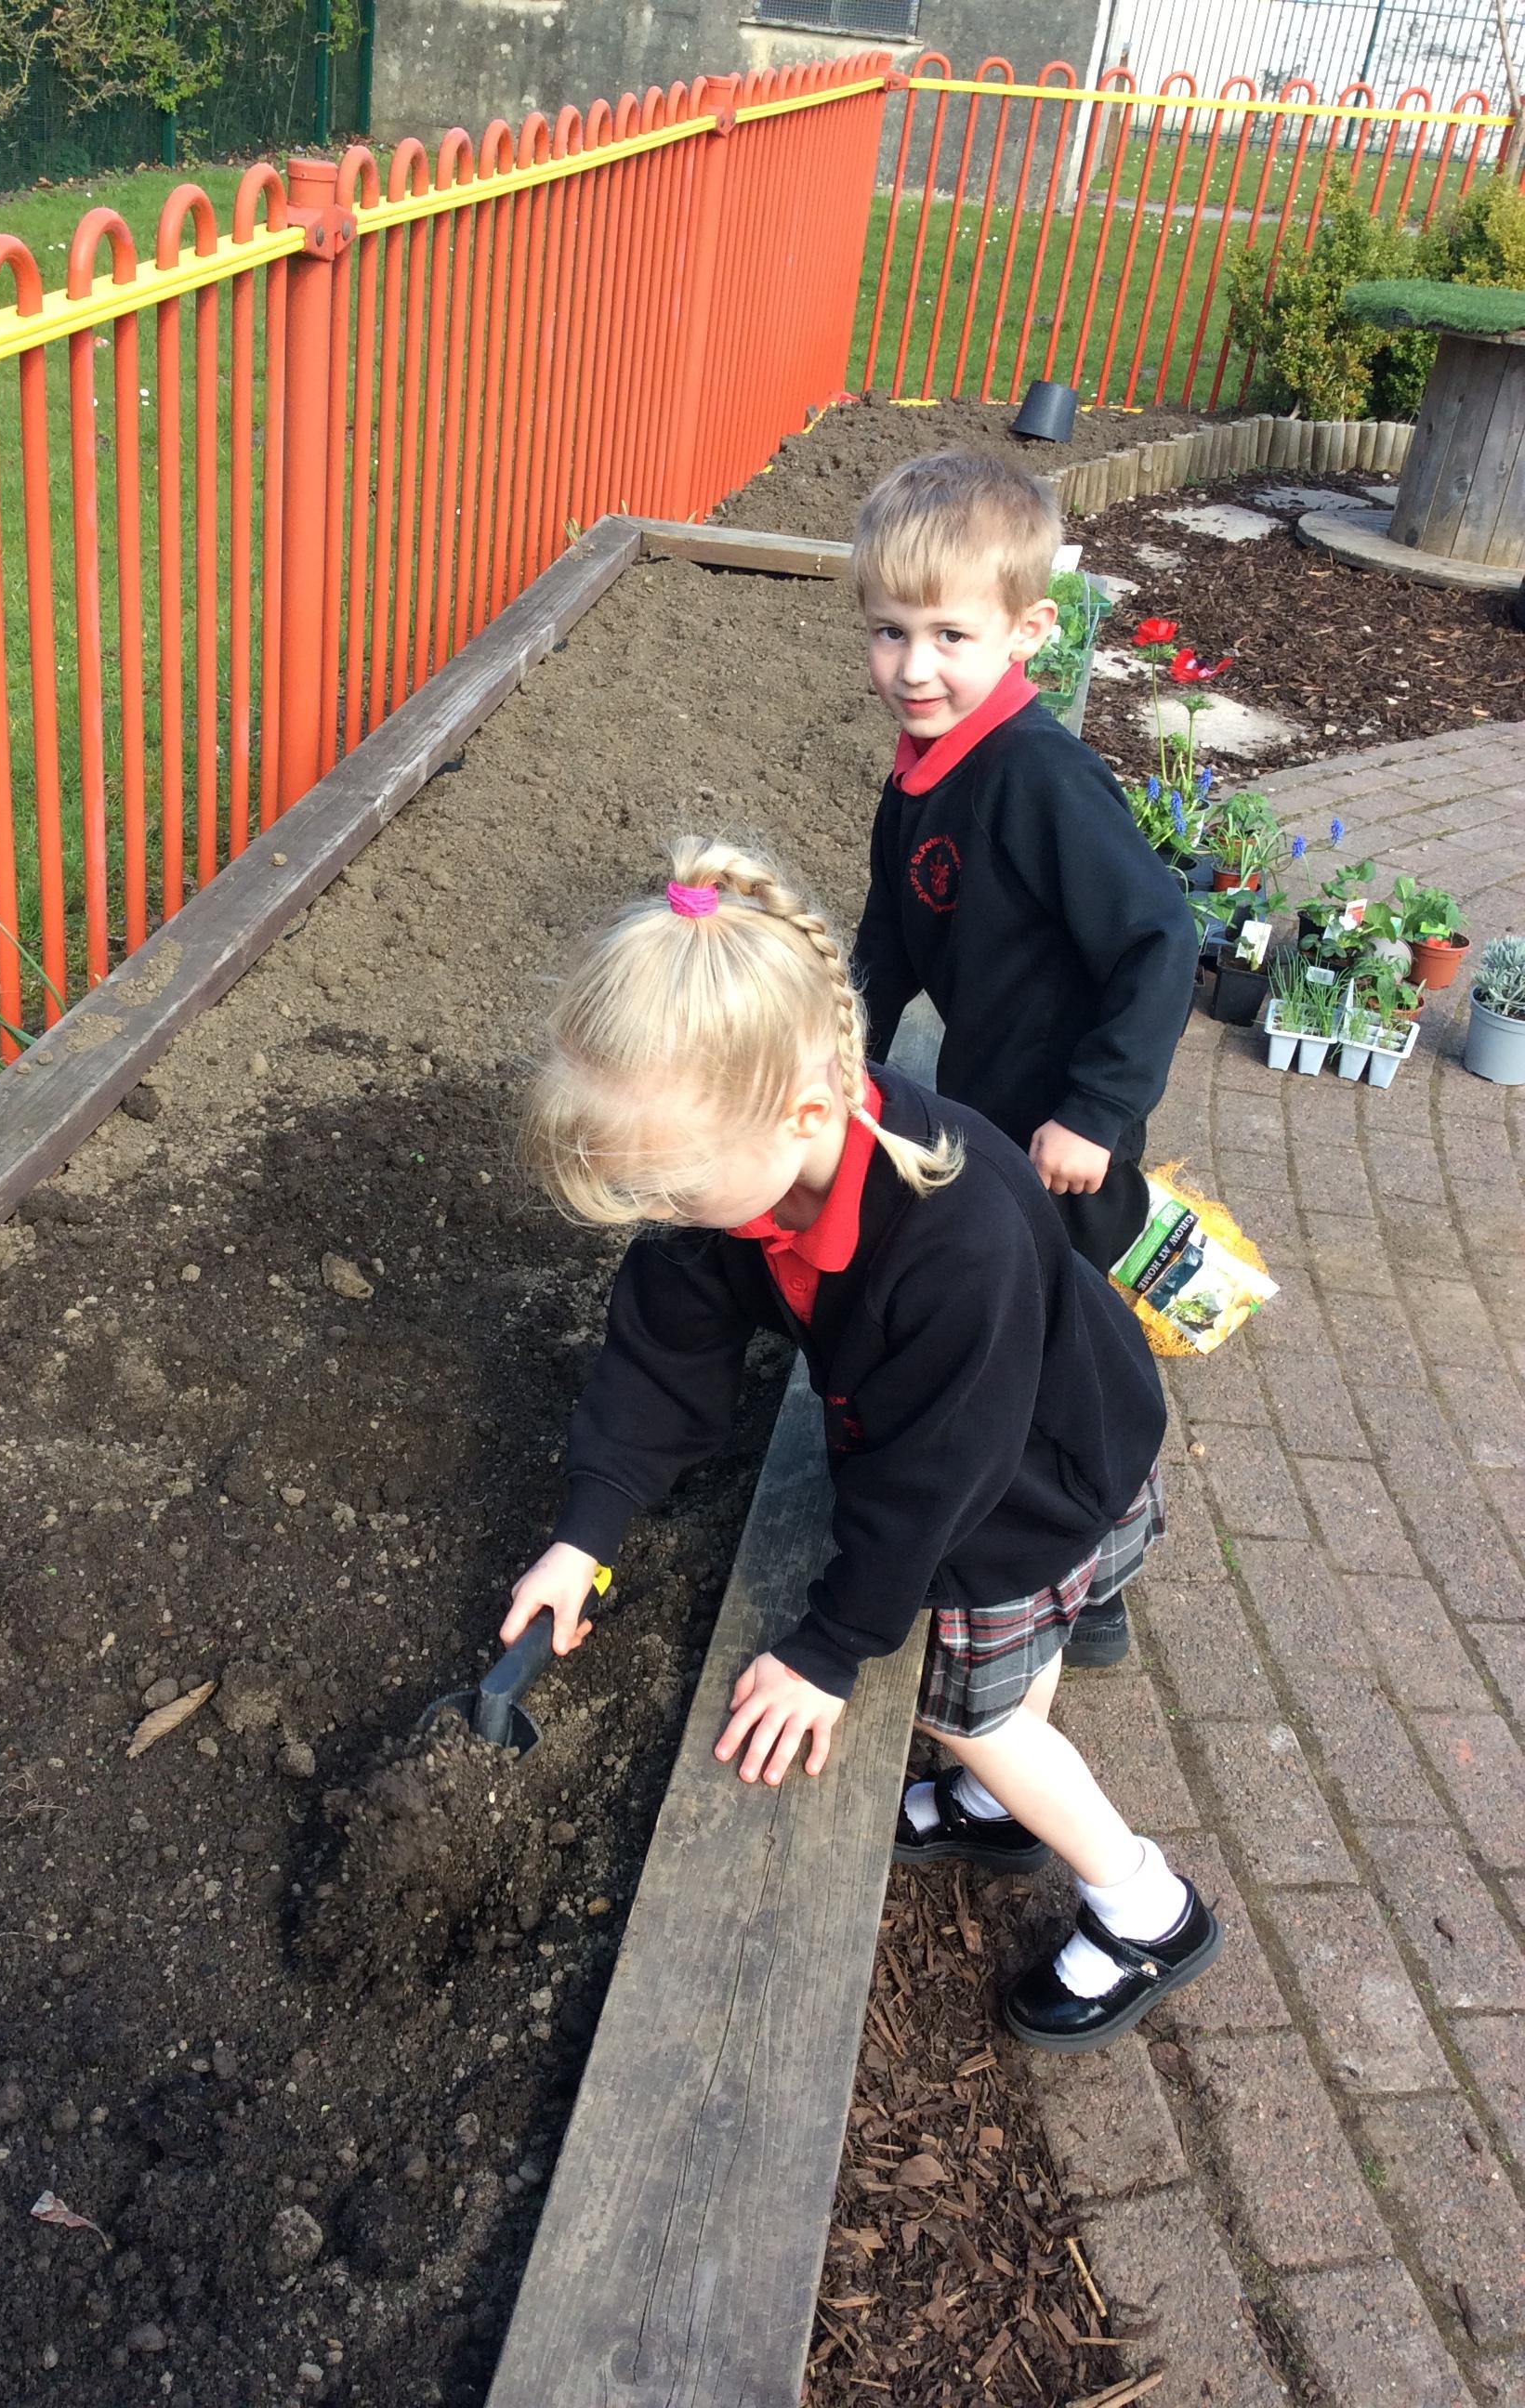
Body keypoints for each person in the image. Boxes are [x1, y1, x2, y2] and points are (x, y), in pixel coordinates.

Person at [500, 842, 1219, 2053]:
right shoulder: (747, 1155)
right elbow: (661, 1356)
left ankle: (1145, 1906)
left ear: (802, 1112)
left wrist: (829, 1649)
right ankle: (999, 1807)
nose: (663, 1214)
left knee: (971, 1710)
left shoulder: (953, 1244)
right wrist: (585, 1535)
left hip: (1029, 1487)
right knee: (1012, 1688)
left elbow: (931, 1484)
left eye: (671, 1189)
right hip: (1037, 1438)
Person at [848, 452, 1195, 1668]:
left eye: (951, 634)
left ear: (1028, 632)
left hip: (1067, 1134)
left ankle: (1100, 1566)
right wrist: (842, 1049)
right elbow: (891, 933)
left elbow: (1159, 940)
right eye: (890, 631)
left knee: (1072, 1350)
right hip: (995, 1110)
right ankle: (1041, 1526)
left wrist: (1096, 1112)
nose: (915, 666)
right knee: (1015, 1326)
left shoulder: (1040, 779)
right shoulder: (921, 769)